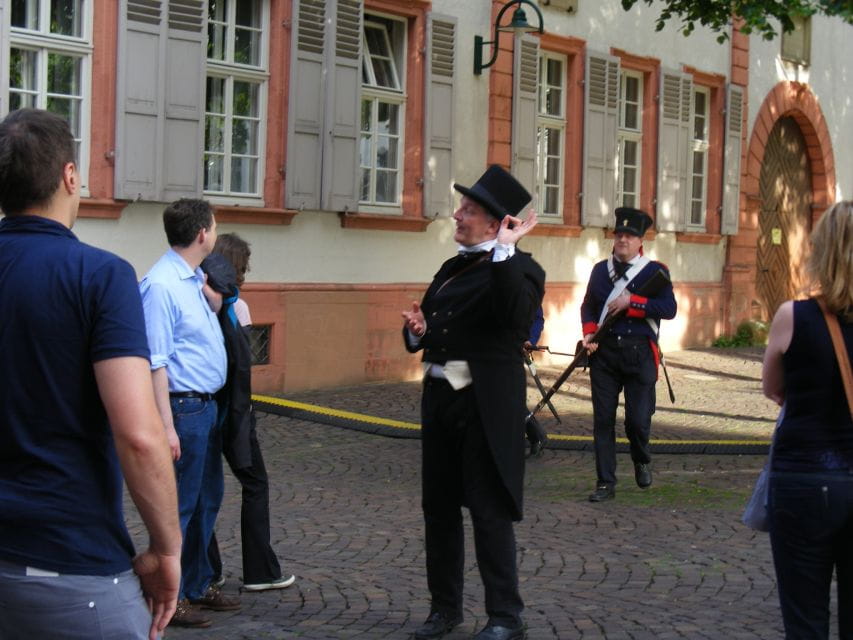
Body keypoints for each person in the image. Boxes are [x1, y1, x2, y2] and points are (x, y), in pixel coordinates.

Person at [0, 108, 181, 640]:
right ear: (71, 176)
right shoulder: (100, 276)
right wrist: (168, 548)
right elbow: (140, 436)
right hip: (68, 563)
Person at [402, 165, 545, 640]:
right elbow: (433, 323)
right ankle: (445, 610)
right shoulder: (451, 267)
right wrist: (417, 331)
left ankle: (506, 616)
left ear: (497, 223)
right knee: (438, 509)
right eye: (461, 207)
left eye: (469, 210)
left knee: (489, 511)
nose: (458, 215)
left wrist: (506, 251)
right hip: (441, 400)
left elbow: (514, 317)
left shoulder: (521, 269)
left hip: (484, 407)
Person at [140, 198, 240, 628]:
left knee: (206, 501)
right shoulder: (161, 284)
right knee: (178, 505)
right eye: (214, 228)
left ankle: (198, 583)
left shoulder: (195, 277)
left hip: (207, 405)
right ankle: (171, 593)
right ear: (203, 233)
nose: (215, 234)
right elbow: (155, 360)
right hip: (183, 408)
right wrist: (166, 426)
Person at [762, 200, 853, 639]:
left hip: (803, 477)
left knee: (805, 619)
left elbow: (773, 388)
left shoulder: (792, 317)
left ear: (821, 251)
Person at [202, 233, 295, 592]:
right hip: (232, 414)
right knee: (255, 484)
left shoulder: (199, 298)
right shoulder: (236, 307)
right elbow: (240, 369)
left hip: (204, 408)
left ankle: (209, 568)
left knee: (202, 490)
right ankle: (260, 570)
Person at [580, 207, 676, 502]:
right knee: (603, 420)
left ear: (639, 242)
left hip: (639, 354)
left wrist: (633, 302)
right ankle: (605, 483)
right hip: (605, 354)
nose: (622, 239)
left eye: (628, 235)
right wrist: (589, 333)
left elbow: (668, 310)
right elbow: (589, 306)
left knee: (637, 421)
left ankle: (641, 457)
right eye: (618, 234)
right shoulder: (600, 271)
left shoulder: (654, 272)